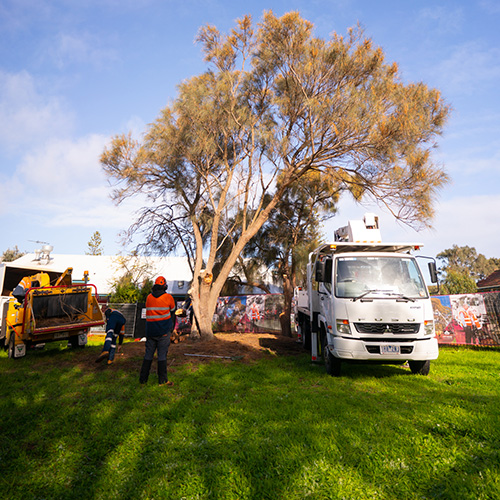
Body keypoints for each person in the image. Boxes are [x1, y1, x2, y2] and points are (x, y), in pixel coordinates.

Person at [140, 276, 176, 385]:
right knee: (162, 356)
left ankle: (143, 380)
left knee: (148, 355)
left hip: (150, 332)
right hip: (163, 332)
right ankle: (162, 381)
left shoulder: (148, 298)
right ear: (164, 285)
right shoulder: (168, 297)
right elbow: (173, 311)